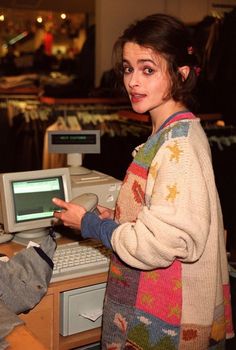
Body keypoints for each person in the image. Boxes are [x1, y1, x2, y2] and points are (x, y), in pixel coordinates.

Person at [52, 13, 234, 349]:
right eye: (127, 68)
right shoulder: (169, 134)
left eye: (148, 69)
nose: (133, 81)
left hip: (163, 319)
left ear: (180, 74)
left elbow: (166, 242)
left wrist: (92, 225)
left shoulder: (177, 146)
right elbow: (167, 214)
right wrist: (119, 218)